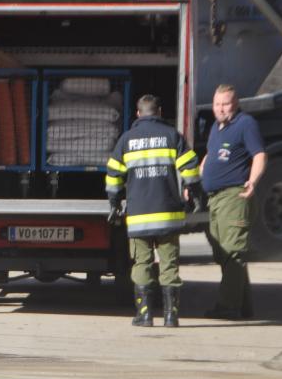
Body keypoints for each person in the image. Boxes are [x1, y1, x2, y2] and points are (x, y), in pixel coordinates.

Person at [106, 95, 201, 327]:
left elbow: (113, 176)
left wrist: (115, 203)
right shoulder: (172, 136)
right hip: (168, 215)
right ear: (159, 112)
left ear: (138, 114)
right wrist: (194, 195)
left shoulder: (127, 140)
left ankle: (145, 315)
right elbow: (190, 168)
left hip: (139, 216)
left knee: (142, 264)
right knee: (169, 265)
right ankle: (171, 316)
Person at [200, 84, 266, 319]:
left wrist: (253, 181)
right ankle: (243, 306)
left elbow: (259, 154)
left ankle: (228, 307)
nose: (220, 109)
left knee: (232, 251)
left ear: (235, 104)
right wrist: (197, 176)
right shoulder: (216, 127)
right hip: (215, 199)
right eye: (217, 104)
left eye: (225, 104)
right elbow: (210, 154)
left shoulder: (245, 124)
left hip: (234, 197)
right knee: (223, 253)